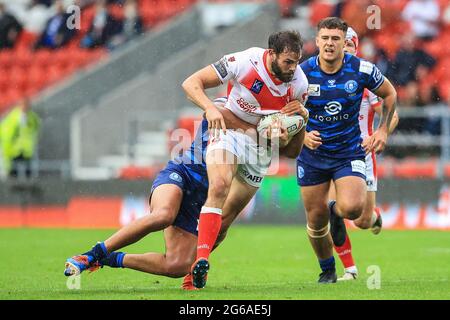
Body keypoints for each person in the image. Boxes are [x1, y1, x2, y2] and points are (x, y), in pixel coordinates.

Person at [64, 99, 301, 290]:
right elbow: (238, 120)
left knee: (177, 265)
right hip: (181, 174)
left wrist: (295, 129)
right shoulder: (221, 106)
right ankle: (90, 255)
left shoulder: (260, 134)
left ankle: (110, 259)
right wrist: (272, 127)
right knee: (163, 215)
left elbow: (288, 150)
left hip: (201, 201)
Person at [182, 30, 309, 289]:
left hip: (260, 150)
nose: (293, 68)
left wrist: (300, 122)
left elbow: (291, 152)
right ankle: (201, 262)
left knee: (226, 220)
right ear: (271, 54)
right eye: (288, 61)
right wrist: (209, 107)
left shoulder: (299, 85)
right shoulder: (245, 61)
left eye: (297, 62)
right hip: (231, 133)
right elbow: (191, 83)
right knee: (218, 186)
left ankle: (193, 268)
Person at [297, 17, 397, 284]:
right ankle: (333, 270)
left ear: (346, 43)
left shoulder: (362, 71)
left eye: (337, 39)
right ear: (317, 41)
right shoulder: (302, 73)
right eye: (325, 38)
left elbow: (390, 95)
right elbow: (285, 110)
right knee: (317, 219)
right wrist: (302, 135)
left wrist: (383, 131)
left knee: (356, 213)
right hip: (313, 154)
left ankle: (347, 214)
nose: (330, 44)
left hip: (353, 150)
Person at [0, 97, 41, 179]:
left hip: (27, 150)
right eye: (23, 105)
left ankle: (28, 190)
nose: (25, 107)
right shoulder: (13, 117)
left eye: (27, 105)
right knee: (12, 173)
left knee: (28, 173)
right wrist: (7, 148)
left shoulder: (32, 117)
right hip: (14, 150)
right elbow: (7, 134)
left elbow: (36, 129)